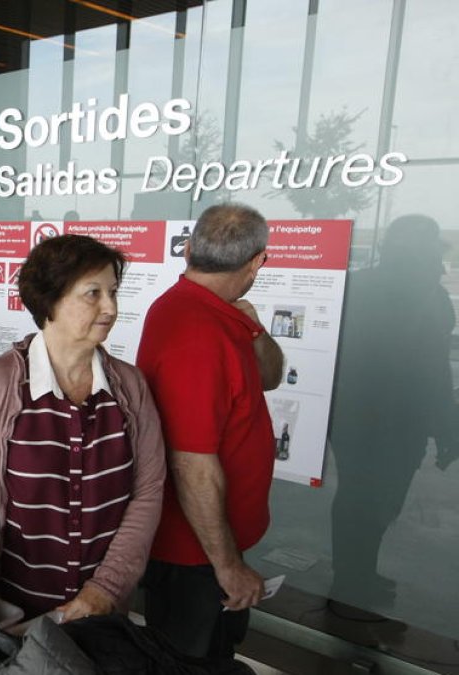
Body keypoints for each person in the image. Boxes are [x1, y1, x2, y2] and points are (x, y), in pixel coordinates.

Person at [0, 235, 166, 620]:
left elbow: (147, 492)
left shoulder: (129, 388)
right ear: (50, 300)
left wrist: (106, 588)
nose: (110, 307)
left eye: (113, 292)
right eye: (92, 293)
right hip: (5, 612)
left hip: (100, 616)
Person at [136, 203, 284, 661]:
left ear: (189, 253)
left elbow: (272, 376)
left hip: (210, 549)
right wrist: (228, 566)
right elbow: (192, 464)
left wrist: (254, 326)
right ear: (258, 261)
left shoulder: (221, 314)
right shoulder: (195, 332)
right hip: (194, 558)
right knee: (192, 660)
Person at [329, 214, 457, 615]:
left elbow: (434, 367)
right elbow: (435, 368)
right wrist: (446, 425)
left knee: (367, 500)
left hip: (366, 419)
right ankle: (351, 586)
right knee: (369, 501)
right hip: (380, 420)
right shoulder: (420, 294)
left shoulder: (368, 287)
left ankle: (356, 576)